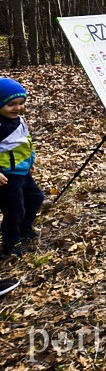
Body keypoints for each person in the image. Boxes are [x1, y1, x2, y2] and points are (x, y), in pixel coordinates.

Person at [0, 78, 44, 258]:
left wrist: (30, 160)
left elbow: (24, 141)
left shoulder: (19, 120)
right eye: (11, 104)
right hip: (7, 176)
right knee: (14, 208)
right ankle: (11, 243)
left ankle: (25, 228)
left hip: (21, 170)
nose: (17, 108)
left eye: (21, 103)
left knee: (35, 197)